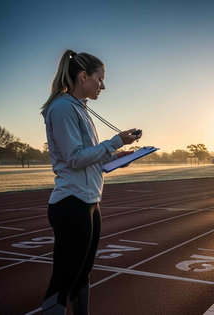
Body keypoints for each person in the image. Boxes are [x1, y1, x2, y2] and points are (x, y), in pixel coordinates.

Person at [40, 49, 140, 314]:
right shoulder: (62, 108)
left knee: (81, 275)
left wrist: (117, 158)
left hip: (90, 202)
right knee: (64, 279)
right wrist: (115, 141)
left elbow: (89, 162)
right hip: (71, 204)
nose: (103, 86)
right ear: (83, 76)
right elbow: (74, 159)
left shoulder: (81, 110)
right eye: (100, 78)